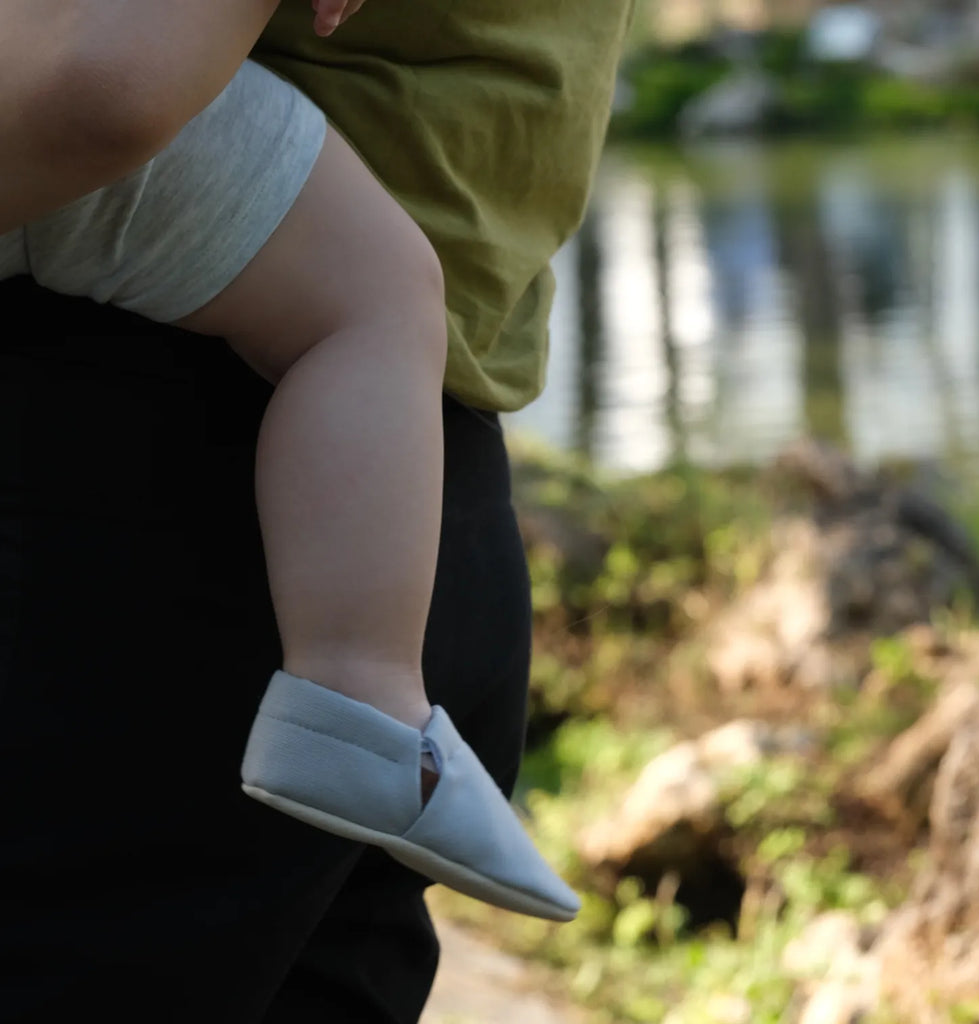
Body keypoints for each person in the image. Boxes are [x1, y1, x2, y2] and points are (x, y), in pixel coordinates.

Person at [0, 0, 634, 1020]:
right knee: (372, 293)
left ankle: (361, 696)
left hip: (260, 475)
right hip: (216, 455)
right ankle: (356, 694)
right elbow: (108, 83)